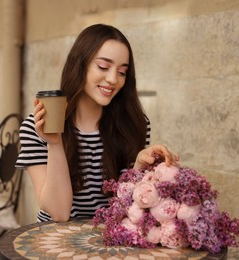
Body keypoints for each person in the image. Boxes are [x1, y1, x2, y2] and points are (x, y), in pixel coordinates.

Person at [15, 24, 179, 223]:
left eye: (122, 72)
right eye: (103, 67)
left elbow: (127, 207)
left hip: (111, 238)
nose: (112, 79)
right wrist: (54, 142)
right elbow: (59, 213)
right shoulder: (37, 126)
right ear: (80, 65)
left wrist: (138, 166)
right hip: (55, 240)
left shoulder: (134, 124)